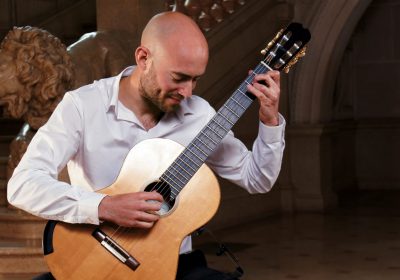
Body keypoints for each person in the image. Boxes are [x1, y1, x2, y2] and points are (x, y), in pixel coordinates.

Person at [7, 11, 285, 280]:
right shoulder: (82, 106)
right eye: (179, 78)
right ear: (143, 58)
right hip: (94, 255)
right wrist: (104, 206)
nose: (188, 92)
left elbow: (257, 179)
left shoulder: (199, 115)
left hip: (174, 264)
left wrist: (269, 120)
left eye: (195, 79)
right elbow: (22, 185)